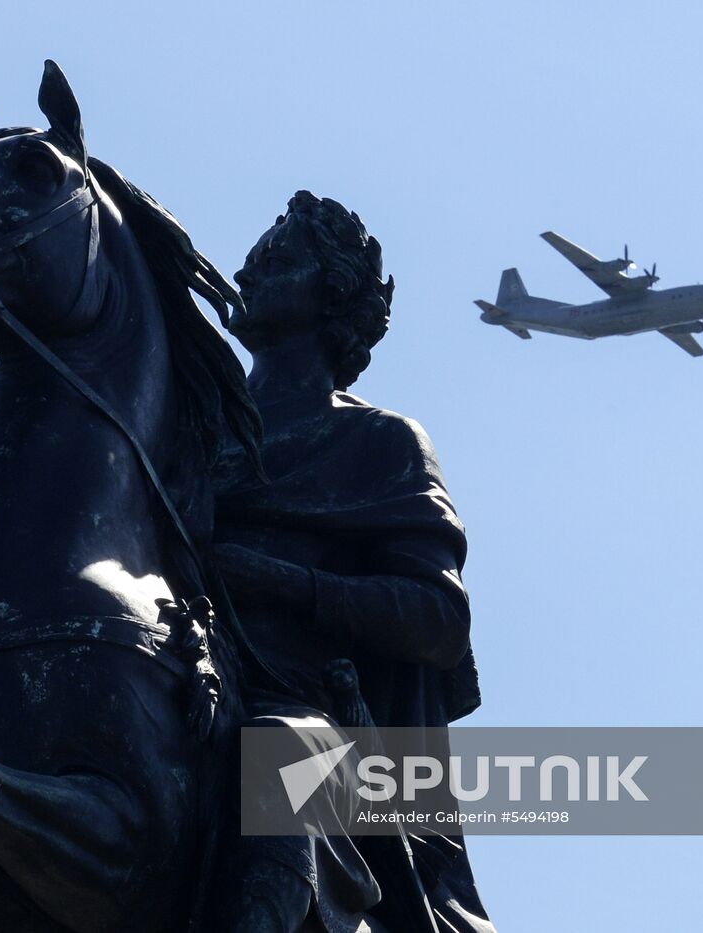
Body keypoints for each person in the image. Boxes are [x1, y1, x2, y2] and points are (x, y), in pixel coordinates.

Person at [213, 191, 494, 932]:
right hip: (178, 682)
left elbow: (438, 619)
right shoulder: (182, 431)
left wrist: (279, 581)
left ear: (333, 294)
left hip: (315, 720)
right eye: (258, 254)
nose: (251, 267)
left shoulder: (382, 443)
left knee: (276, 762)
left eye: (283, 258)